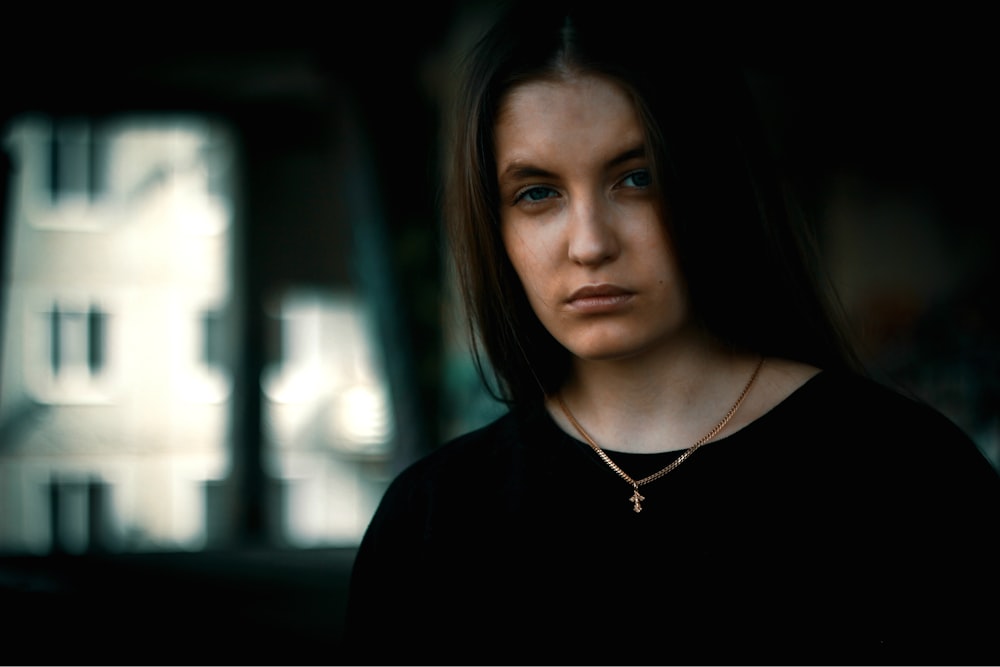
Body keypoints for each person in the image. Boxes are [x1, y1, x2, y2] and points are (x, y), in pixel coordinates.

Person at [343, 1, 1000, 663]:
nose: (591, 244)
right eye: (537, 193)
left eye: (636, 178)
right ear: (495, 227)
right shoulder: (434, 520)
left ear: (712, 183)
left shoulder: (910, 478)